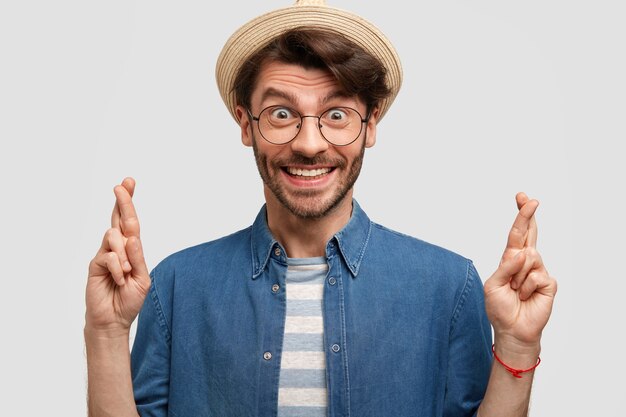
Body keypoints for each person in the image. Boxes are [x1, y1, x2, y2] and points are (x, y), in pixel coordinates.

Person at [84, 1, 557, 416]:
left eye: (336, 115)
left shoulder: (449, 287)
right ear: (244, 122)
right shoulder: (177, 286)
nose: (310, 145)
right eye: (281, 114)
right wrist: (106, 333)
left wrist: (517, 344)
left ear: (371, 123)